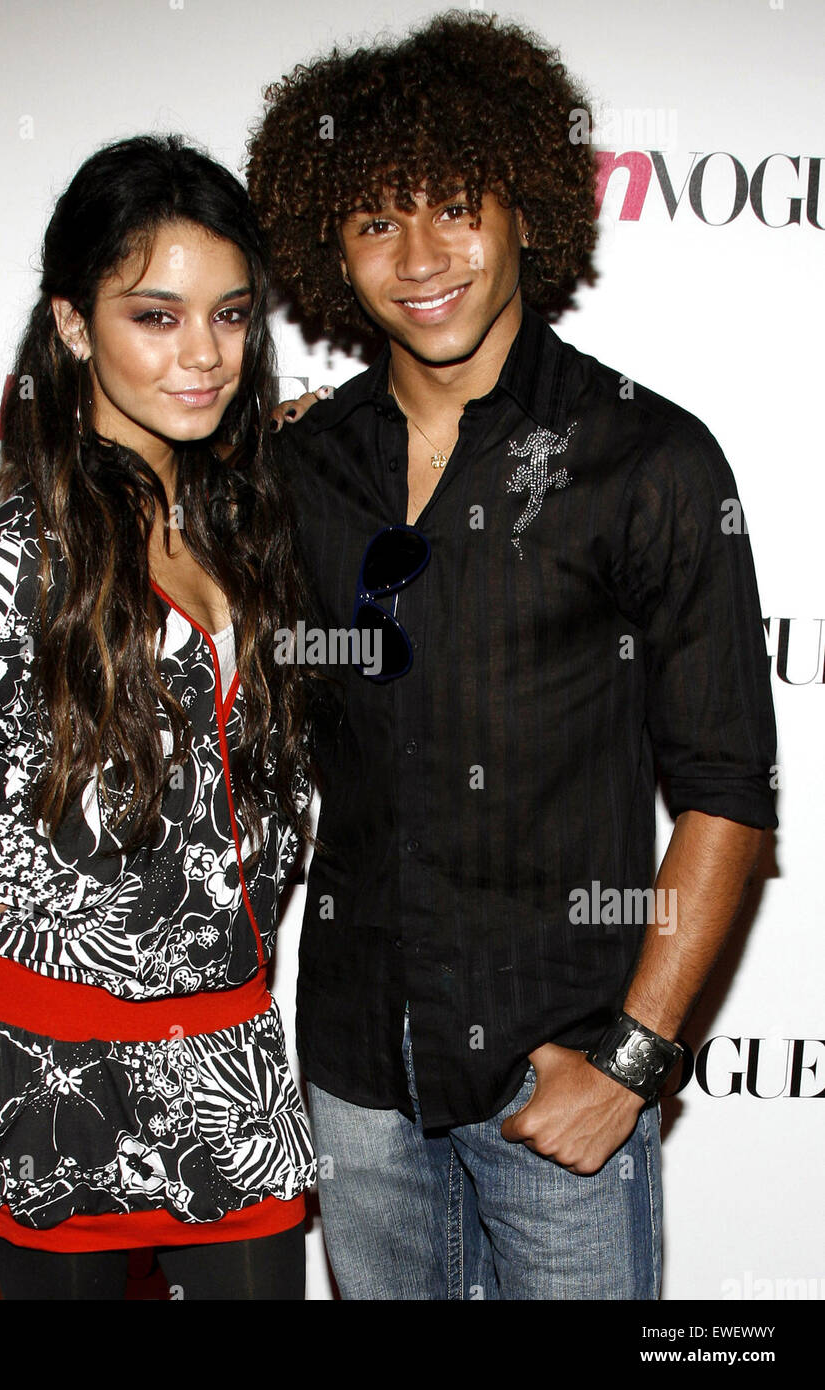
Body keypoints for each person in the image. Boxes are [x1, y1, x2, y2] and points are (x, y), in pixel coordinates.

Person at [245, 11, 778, 1299]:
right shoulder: (296, 468)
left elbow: (725, 789)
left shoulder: (648, 461)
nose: (419, 257)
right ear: (334, 248)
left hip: (563, 1081)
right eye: (375, 221)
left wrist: (636, 1065)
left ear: (528, 210)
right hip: (358, 1078)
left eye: (452, 208)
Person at [0, 133, 317, 1301]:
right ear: (74, 326)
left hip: (229, 1057)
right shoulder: (14, 566)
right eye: (156, 317)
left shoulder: (248, 528)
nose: (203, 355)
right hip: (43, 1061)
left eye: (229, 315)